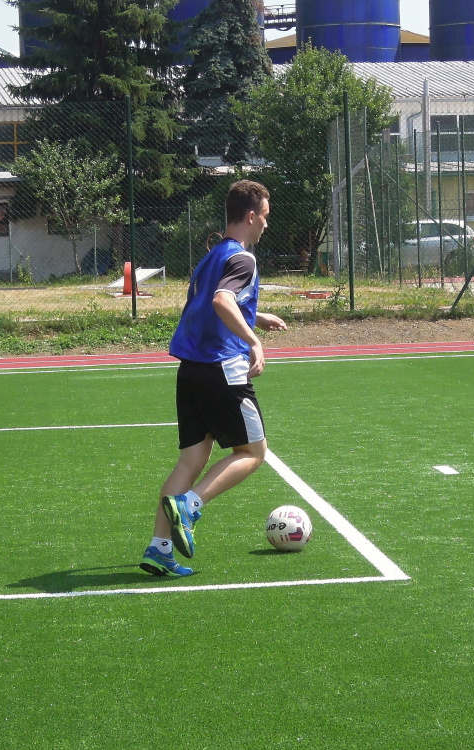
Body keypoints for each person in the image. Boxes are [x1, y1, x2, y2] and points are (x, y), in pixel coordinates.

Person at [140, 180, 287, 577]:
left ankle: (159, 548)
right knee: (252, 454)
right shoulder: (243, 258)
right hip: (223, 368)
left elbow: (212, 303)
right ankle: (189, 506)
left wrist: (256, 316)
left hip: (190, 371)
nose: (266, 224)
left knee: (191, 460)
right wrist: (253, 341)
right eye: (265, 216)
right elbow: (223, 300)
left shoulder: (212, 257)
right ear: (251, 216)